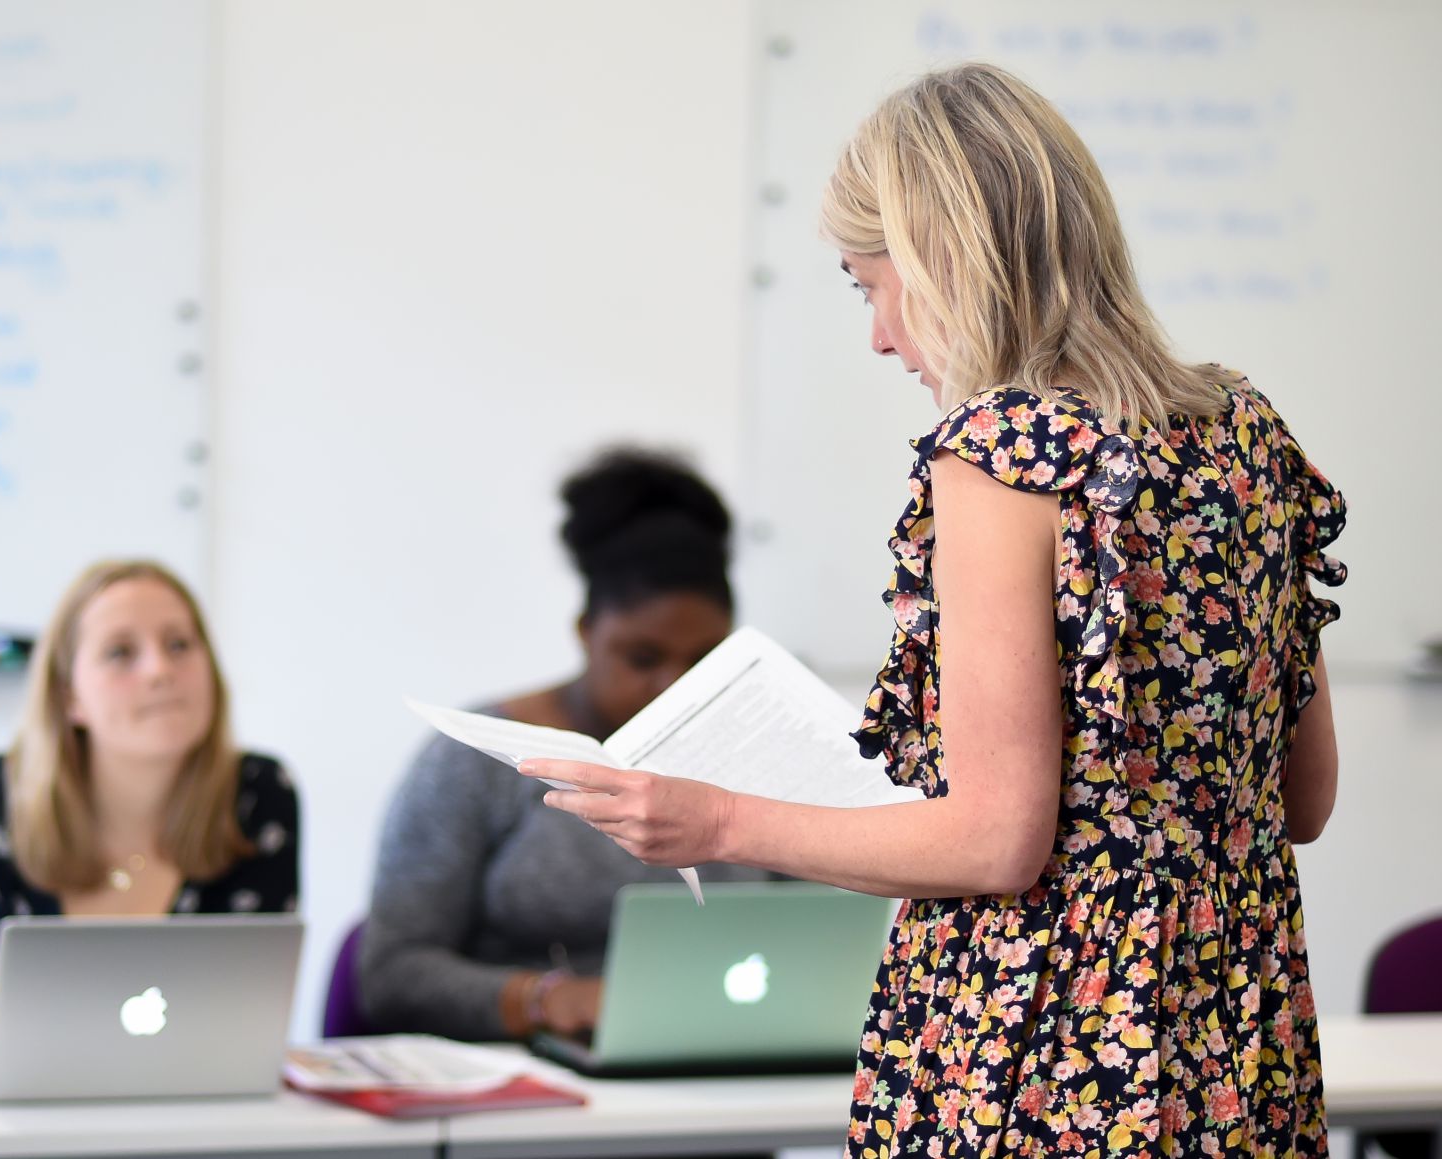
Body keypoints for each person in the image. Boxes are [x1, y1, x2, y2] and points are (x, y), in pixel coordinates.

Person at [524, 64, 1343, 1157]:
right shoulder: (1243, 427)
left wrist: (714, 821)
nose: (877, 337)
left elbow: (998, 841)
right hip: (1238, 1033)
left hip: (1047, 1047)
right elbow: (1303, 799)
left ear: (941, 261)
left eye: (869, 285)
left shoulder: (1002, 457)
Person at [358, 448, 771, 1042]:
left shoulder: (762, 753)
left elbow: (821, 937)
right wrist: (544, 999)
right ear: (585, 632)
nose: (673, 686)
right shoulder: (480, 756)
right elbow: (391, 974)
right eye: (643, 658)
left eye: (704, 660)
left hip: (725, 1074)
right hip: (531, 1092)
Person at [0, 559, 299, 1069]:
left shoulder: (258, 797)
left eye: (180, 645)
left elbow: (252, 1006)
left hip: (171, 1109)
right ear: (70, 696)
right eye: (121, 653)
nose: (160, 670)